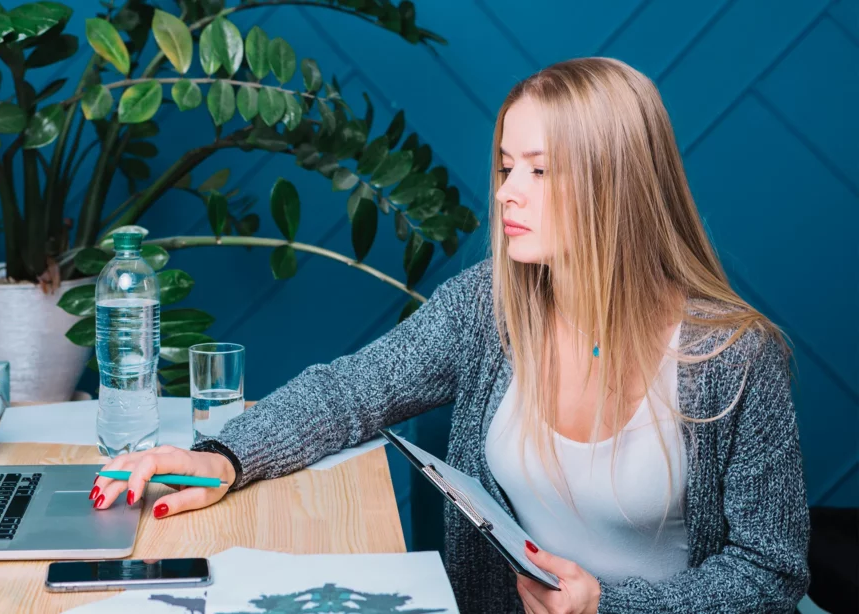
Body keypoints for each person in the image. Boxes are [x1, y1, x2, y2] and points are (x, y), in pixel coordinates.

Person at [89, 57, 810, 613]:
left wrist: (606, 606)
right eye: (505, 167)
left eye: (539, 170)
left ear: (616, 184)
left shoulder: (733, 358)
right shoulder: (489, 305)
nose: (506, 192)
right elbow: (351, 392)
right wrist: (224, 457)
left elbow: (770, 574)